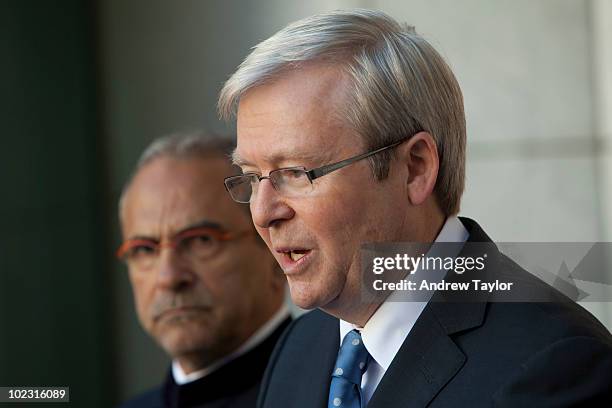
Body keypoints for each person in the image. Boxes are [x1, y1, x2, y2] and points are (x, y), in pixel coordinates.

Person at [217, 9, 612, 407]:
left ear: (415, 169)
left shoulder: (555, 366)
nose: (264, 213)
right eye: (252, 177)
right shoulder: (298, 349)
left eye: (297, 173)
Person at [116, 133, 290, 408]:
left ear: (275, 253)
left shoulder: (337, 392)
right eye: (145, 249)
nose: (169, 278)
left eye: (201, 240)